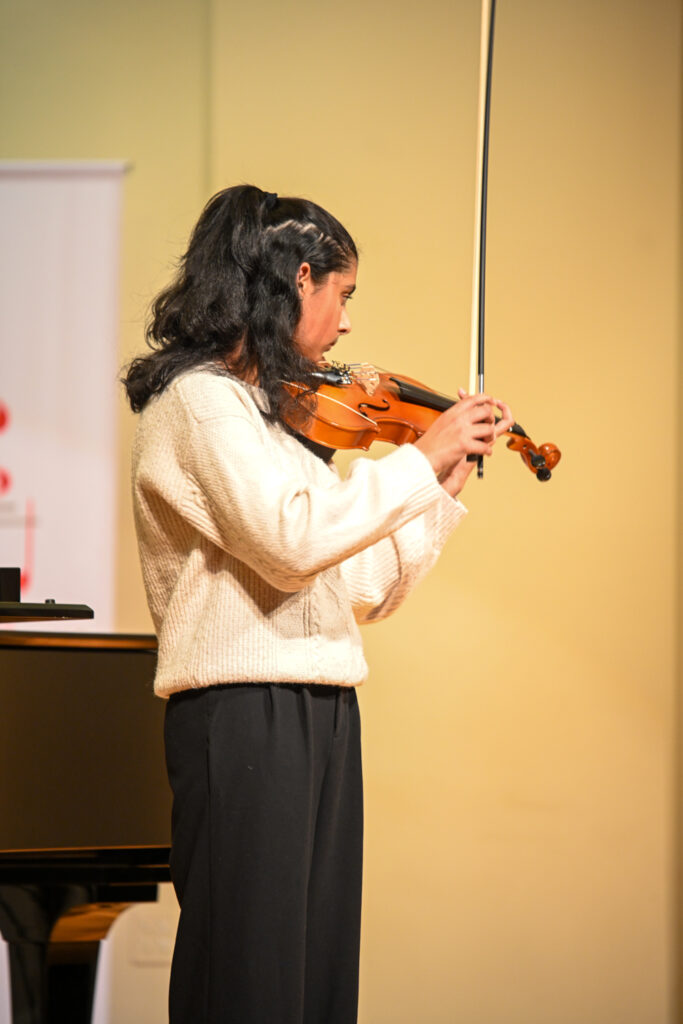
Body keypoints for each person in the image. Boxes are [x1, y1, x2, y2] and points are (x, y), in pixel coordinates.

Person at [123, 184, 513, 1024]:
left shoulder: (277, 418)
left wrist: (436, 492)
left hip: (320, 705)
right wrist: (415, 462)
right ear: (299, 279)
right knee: (250, 979)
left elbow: (357, 588)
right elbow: (290, 540)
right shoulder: (199, 401)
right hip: (242, 709)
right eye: (343, 294)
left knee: (314, 978)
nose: (345, 324)